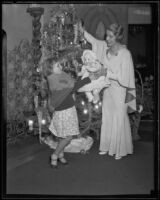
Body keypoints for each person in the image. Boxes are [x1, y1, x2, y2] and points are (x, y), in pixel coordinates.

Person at [79, 22, 136, 160]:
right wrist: (82, 31)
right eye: (107, 36)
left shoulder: (125, 54)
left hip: (120, 92)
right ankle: (106, 146)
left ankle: (120, 149)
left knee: (119, 118)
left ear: (118, 36)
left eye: (111, 36)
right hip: (108, 90)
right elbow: (94, 41)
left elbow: (125, 78)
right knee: (108, 117)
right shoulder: (105, 49)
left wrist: (107, 73)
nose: (107, 39)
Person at [45, 58, 91, 168]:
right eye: (57, 66)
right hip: (63, 112)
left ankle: (60, 154)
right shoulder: (53, 80)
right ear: (50, 70)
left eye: (60, 65)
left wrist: (81, 76)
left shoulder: (62, 76)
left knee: (63, 136)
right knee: (68, 137)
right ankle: (54, 155)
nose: (60, 67)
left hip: (70, 110)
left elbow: (72, 84)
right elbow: (72, 88)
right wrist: (88, 79)